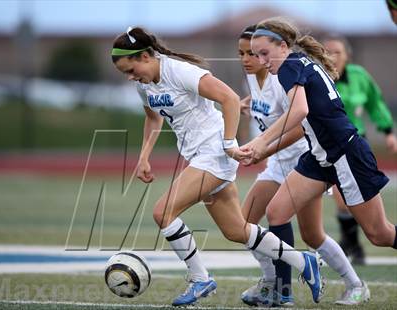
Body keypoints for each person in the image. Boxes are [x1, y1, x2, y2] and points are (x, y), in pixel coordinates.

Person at [111, 26, 324, 306]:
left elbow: (230, 99)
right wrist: (143, 156)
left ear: (147, 55)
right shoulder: (144, 84)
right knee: (236, 230)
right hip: (197, 155)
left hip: (213, 152)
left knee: (163, 213)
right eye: (125, 73)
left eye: (131, 69)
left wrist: (227, 144)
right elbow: (153, 118)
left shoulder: (180, 72)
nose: (130, 77)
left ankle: (200, 280)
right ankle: (303, 261)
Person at [241, 18, 397, 277]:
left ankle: (347, 283)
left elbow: (299, 110)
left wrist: (261, 140)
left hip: (346, 154)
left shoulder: (290, 65)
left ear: (282, 46)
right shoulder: (296, 62)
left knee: (379, 234)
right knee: (277, 213)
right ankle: (282, 290)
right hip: (320, 156)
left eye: (264, 53)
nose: (262, 60)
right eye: (257, 55)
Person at [322, 35, 397, 264]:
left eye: (337, 52)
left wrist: (388, 131)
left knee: (359, 207)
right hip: (326, 147)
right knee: (341, 200)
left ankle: (351, 242)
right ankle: (351, 243)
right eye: (327, 52)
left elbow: (376, 103)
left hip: (356, 144)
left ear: (348, 56)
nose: (332, 57)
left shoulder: (359, 76)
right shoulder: (318, 76)